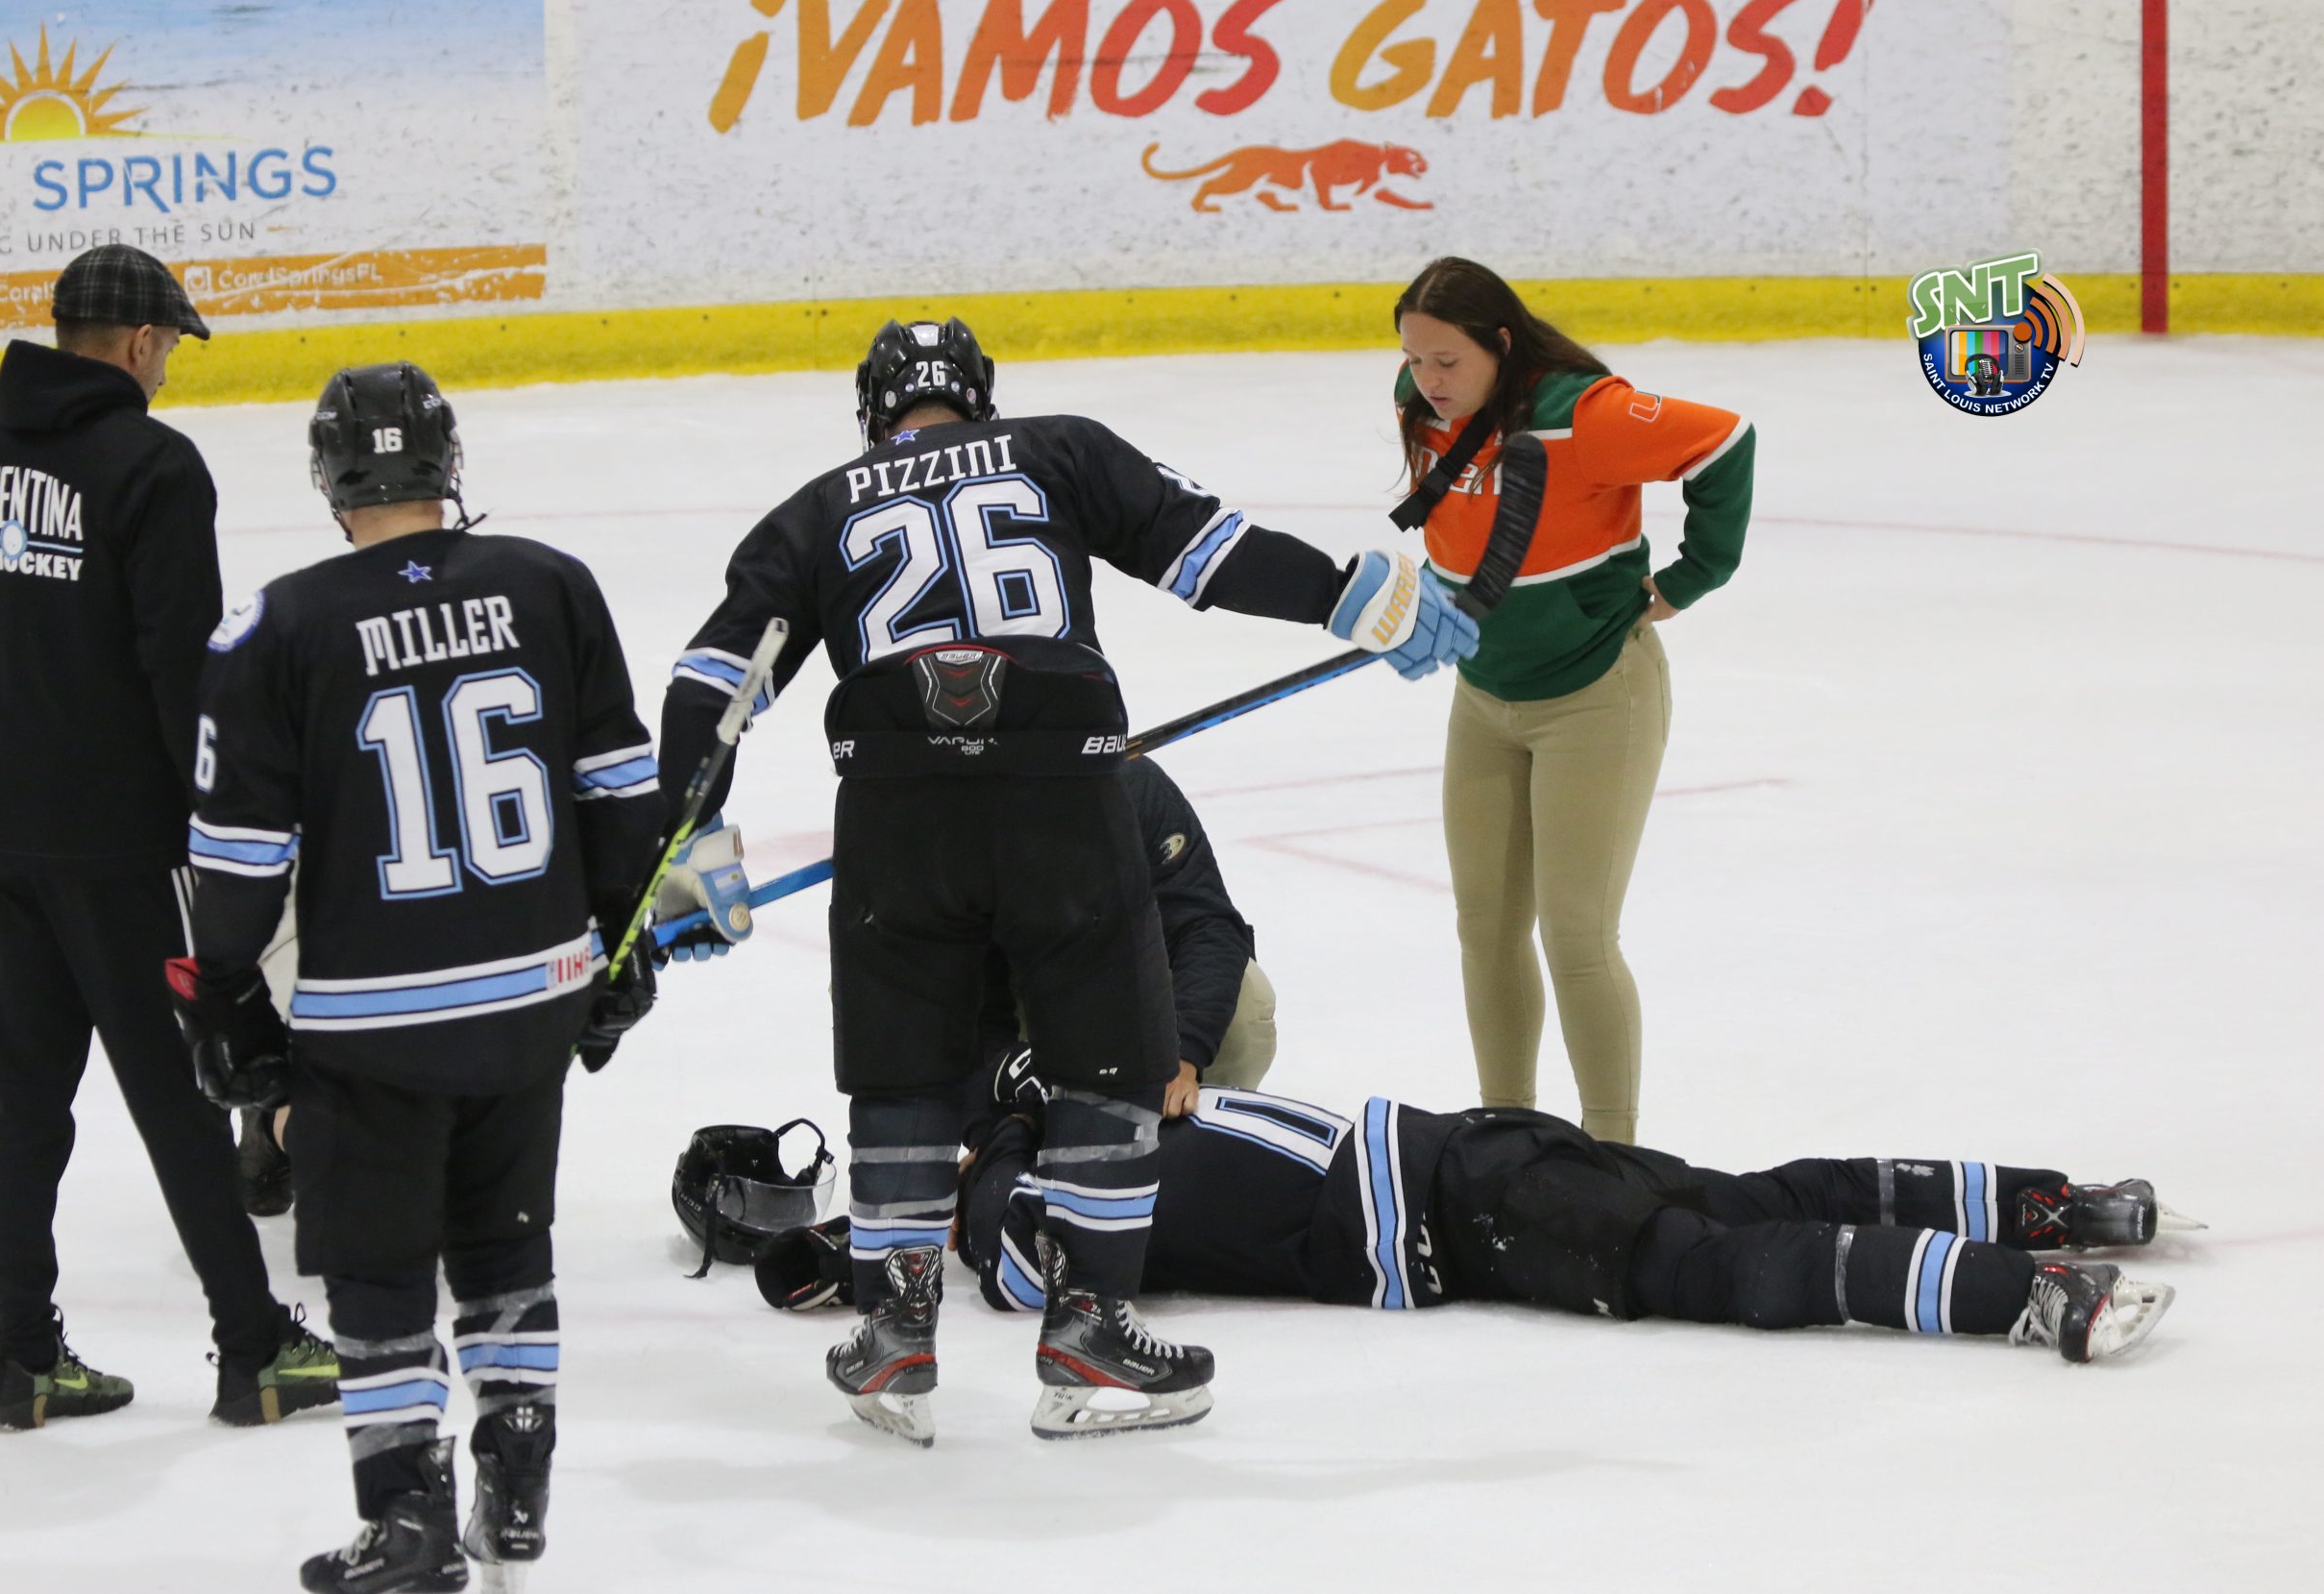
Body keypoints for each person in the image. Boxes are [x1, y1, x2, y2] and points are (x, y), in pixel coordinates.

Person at [655, 316, 1481, 1444]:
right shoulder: (1058, 448)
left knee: (907, 1064)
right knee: (1106, 1057)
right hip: (1066, 787)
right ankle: (1090, 1331)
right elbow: (1208, 553)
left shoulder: (818, 507)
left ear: (872, 415)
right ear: (981, 400)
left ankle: (894, 1333)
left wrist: (687, 838)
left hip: (899, 806)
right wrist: (1352, 596)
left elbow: (713, 680)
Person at [168, 363, 665, 1591]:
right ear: (449, 465)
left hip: (369, 1025)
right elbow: (619, 794)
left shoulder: (276, 626)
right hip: (529, 1001)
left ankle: (406, 1523)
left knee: (379, 1269)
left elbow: (238, 859)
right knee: (507, 1245)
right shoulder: (552, 584)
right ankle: (518, 1489)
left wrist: (226, 995)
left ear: (329, 479)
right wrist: (622, 946)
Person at [0, 243, 338, 1432]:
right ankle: (254, 1351)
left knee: (27, 1100)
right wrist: (226, 817)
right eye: (170, 344)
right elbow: (180, 669)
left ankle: (24, 1358)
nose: (170, 364)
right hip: (127, 849)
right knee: (182, 1097)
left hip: (16, 841)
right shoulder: (154, 465)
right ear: (138, 343)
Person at [746, 1059, 2184, 1364]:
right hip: (1467, 1153)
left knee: (1720, 1259)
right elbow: (1004, 1228)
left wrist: (957, 1170)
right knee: (1752, 1195)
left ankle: (2029, 1289)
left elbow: (1008, 1246)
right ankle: (2062, 1206)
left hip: (1459, 1206)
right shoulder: (1070, 1126)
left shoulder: (1038, 1182)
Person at [1393, 256, 1756, 1143]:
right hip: (1484, 698)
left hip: (1595, 699)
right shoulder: (1421, 405)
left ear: (1500, 344)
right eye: (1414, 358)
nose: (1428, 379)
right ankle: (1503, 1134)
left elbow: (1726, 440)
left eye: (1448, 360)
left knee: (1577, 937)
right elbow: (1459, 526)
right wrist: (1430, 597)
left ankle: (1612, 1153)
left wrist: (1693, 575)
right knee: (1485, 926)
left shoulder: (1585, 417)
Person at [979, 754, 1278, 1115]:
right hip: (1021, 991)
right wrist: (1000, 1109)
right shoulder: (958, 807)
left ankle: (1192, 1127)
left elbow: (1205, 925)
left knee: (1245, 1003)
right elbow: (952, 982)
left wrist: (1183, 1055)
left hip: (1126, 974)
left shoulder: (1135, 785)